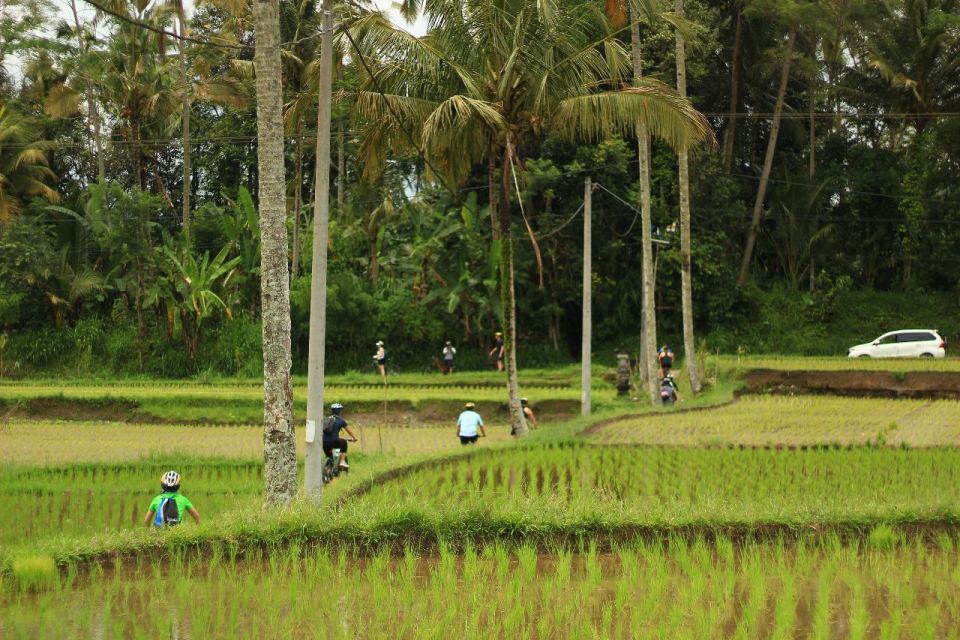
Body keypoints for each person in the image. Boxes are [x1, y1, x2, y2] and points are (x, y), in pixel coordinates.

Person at [323, 402, 358, 469]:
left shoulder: (326, 419)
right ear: (339, 411)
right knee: (344, 442)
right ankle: (342, 461)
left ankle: (327, 469)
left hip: (324, 442)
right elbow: (349, 431)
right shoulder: (341, 420)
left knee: (329, 457)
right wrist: (354, 438)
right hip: (335, 441)